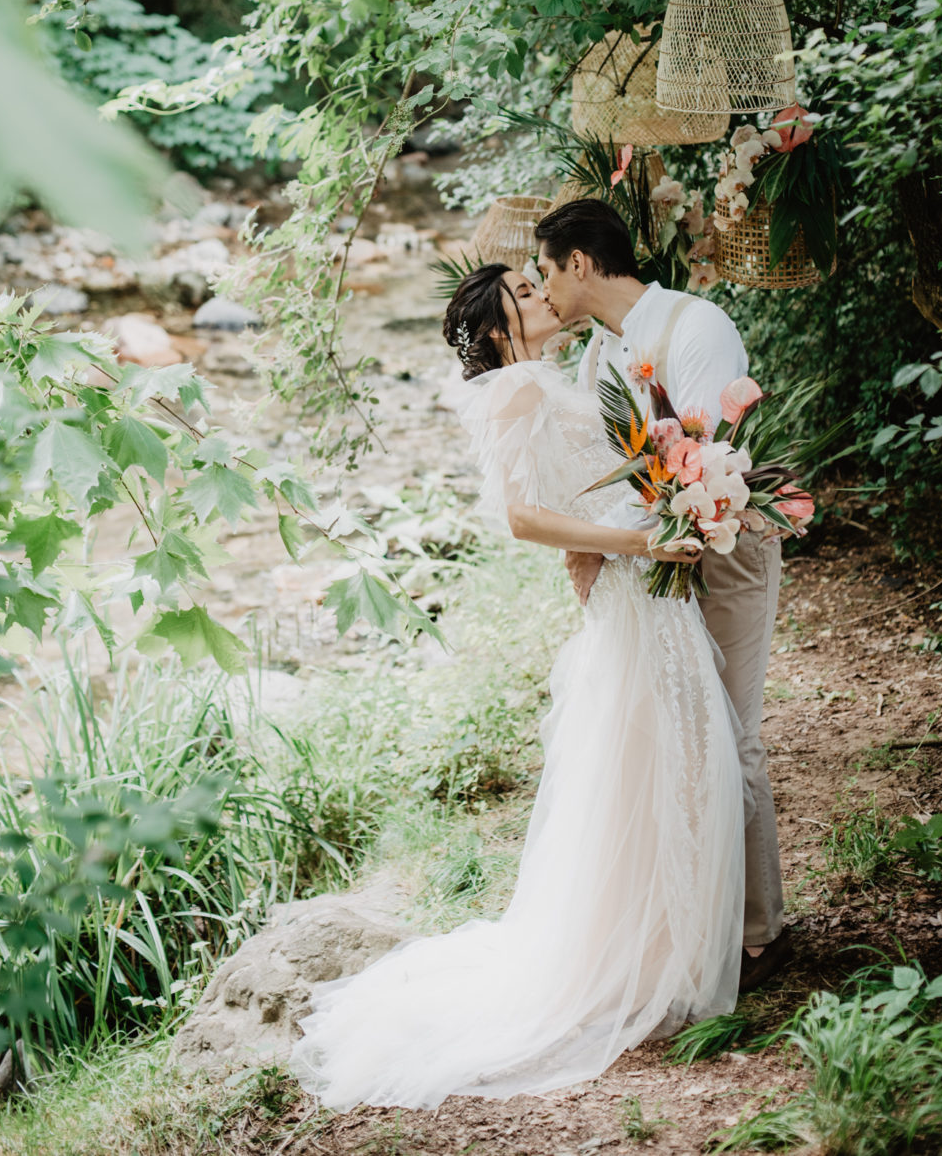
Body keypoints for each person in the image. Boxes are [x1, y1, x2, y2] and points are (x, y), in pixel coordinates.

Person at [289, 263, 746, 1111]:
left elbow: (596, 477)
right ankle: (650, 962)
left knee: (669, 756)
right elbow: (522, 517)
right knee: (657, 757)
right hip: (633, 585)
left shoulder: (561, 372)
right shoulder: (516, 390)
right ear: (502, 331)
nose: (544, 298)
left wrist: (666, 509)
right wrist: (637, 544)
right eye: (525, 298)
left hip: (644, 581)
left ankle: (662, 950)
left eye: (540, 288)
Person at [534, 199, 791, 992]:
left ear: (580, 262)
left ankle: (760, 934)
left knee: (731, 733)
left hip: (725, 554)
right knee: (679, 737)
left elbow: (713, 465)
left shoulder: (695, 326)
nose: (542, 289)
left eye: (546, 270)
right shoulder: (600, 352)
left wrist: (606, 541)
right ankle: (694, 919)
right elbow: (606, 465)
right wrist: (592, 547)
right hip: (653, 568)